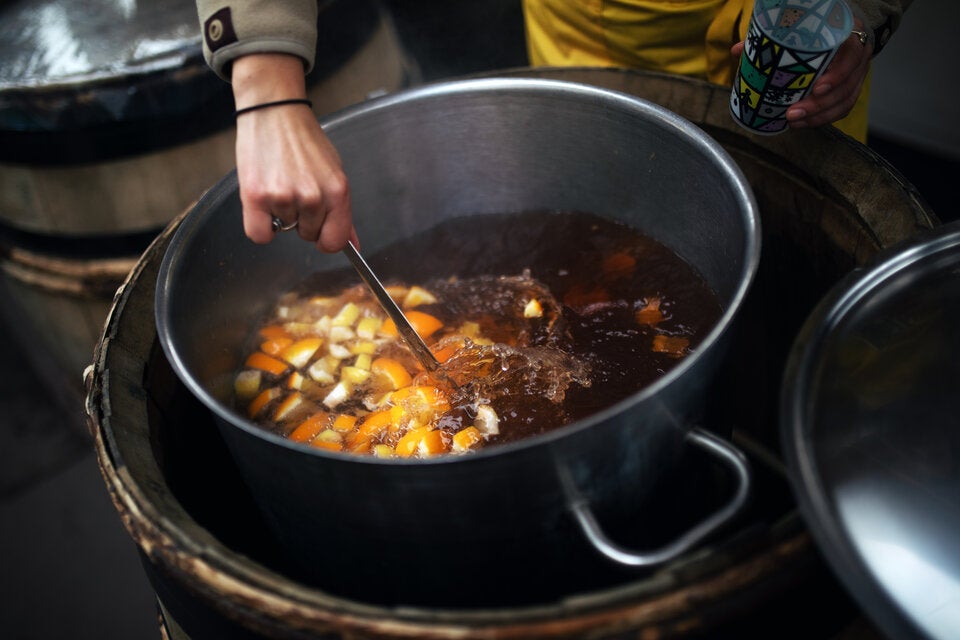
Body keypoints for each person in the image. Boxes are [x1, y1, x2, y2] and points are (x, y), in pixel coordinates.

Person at [194, 0, 912, 253]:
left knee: (791, 286)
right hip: (580, 35)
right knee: (588, 233)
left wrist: (859, 11)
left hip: (790, 53)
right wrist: (266, 89)